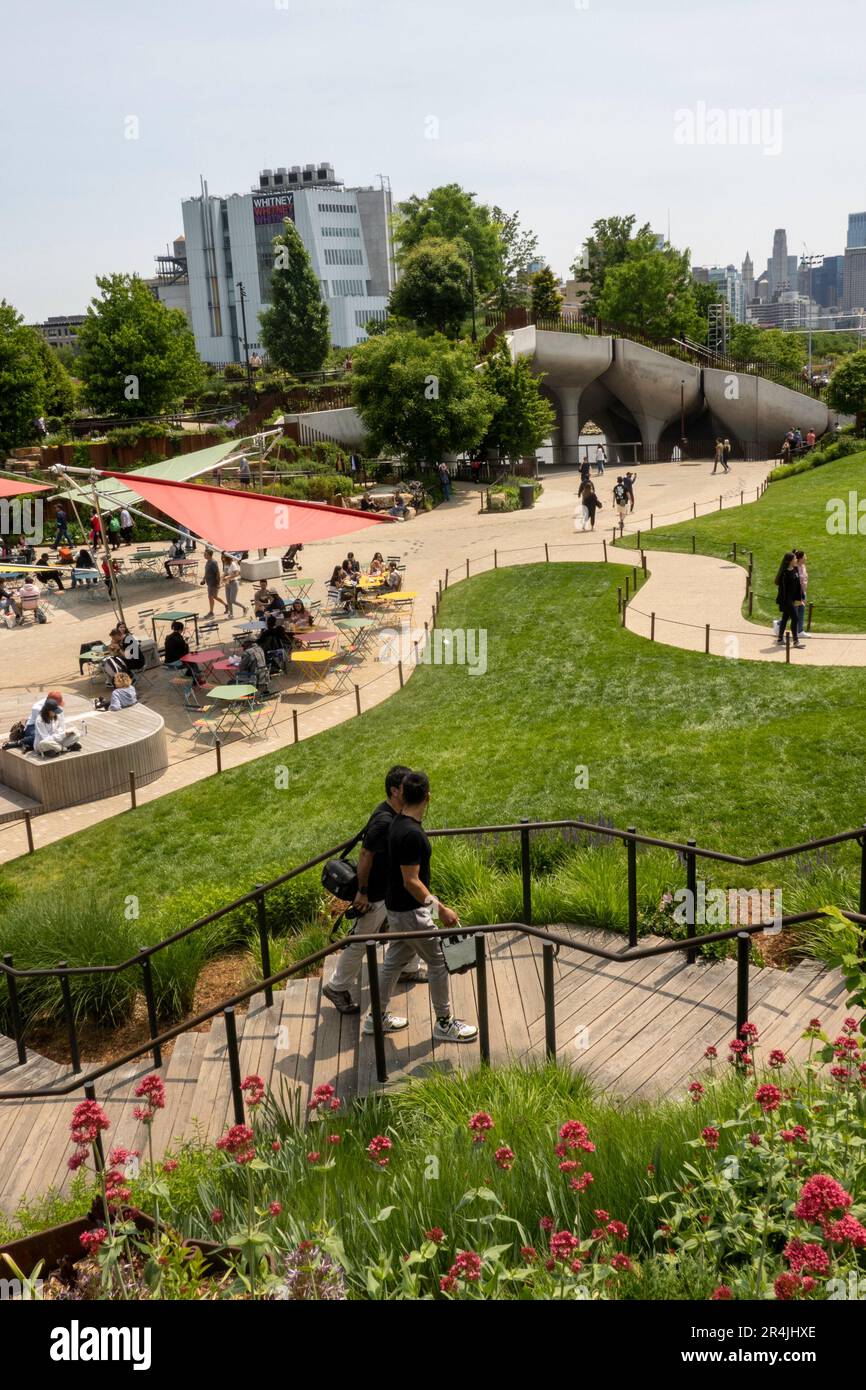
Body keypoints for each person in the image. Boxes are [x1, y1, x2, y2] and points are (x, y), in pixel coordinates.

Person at [363, 770, 478, 1042]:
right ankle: (444, 1023)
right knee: (438, 960)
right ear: (428, 796)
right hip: (410, 912)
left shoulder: (397, 822)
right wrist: (442, 909)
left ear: (402, 794)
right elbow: (411, 881)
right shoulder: (411, 834)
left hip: (397, 909)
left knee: (393, 963)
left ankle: (374, 1019)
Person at [323, 765, 423, 1015]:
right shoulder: (384, 821)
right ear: (394, 791)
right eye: (405, 785)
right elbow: (366, 854)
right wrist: (363, 891)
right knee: (359, 941)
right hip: (376, 894)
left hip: (388, 892)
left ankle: (409, 968)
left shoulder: (395, 813)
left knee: (407, 929)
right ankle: (336, 986)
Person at [774, 551, 804, 649]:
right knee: (795, 618)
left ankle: (780, 639)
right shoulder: (784, 573)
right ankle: (796, 641)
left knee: (785, 618)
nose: (796, 560)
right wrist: (785, 603)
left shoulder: (794, 569)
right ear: (790, 561)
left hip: (792, 599)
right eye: (795, 559)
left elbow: (798, 585)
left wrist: (799, 599)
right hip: (786, 600)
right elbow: (782, 590)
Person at [201, 548, 227, 617]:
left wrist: (218, 583)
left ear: (209, 555)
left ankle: (211, 612)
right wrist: (204, 579)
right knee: (215, 597)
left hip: (213, 583)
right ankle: (226, 605)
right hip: (209, 582)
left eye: (205, 554)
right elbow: (207, 572)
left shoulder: (213, 562)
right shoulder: (208, 562)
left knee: (210, 597)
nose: (204, 555)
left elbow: (218, 573)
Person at [794, 549, 810, 639]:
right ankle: (780, 623)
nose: (806, 558)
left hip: (803, 592)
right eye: (804, 557)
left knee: (801, 612)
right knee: (793, 614)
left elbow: (805, 579)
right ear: (799, 558)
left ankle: (800, 631)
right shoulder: (795, 568)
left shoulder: (803, 566)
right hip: (796, 594)